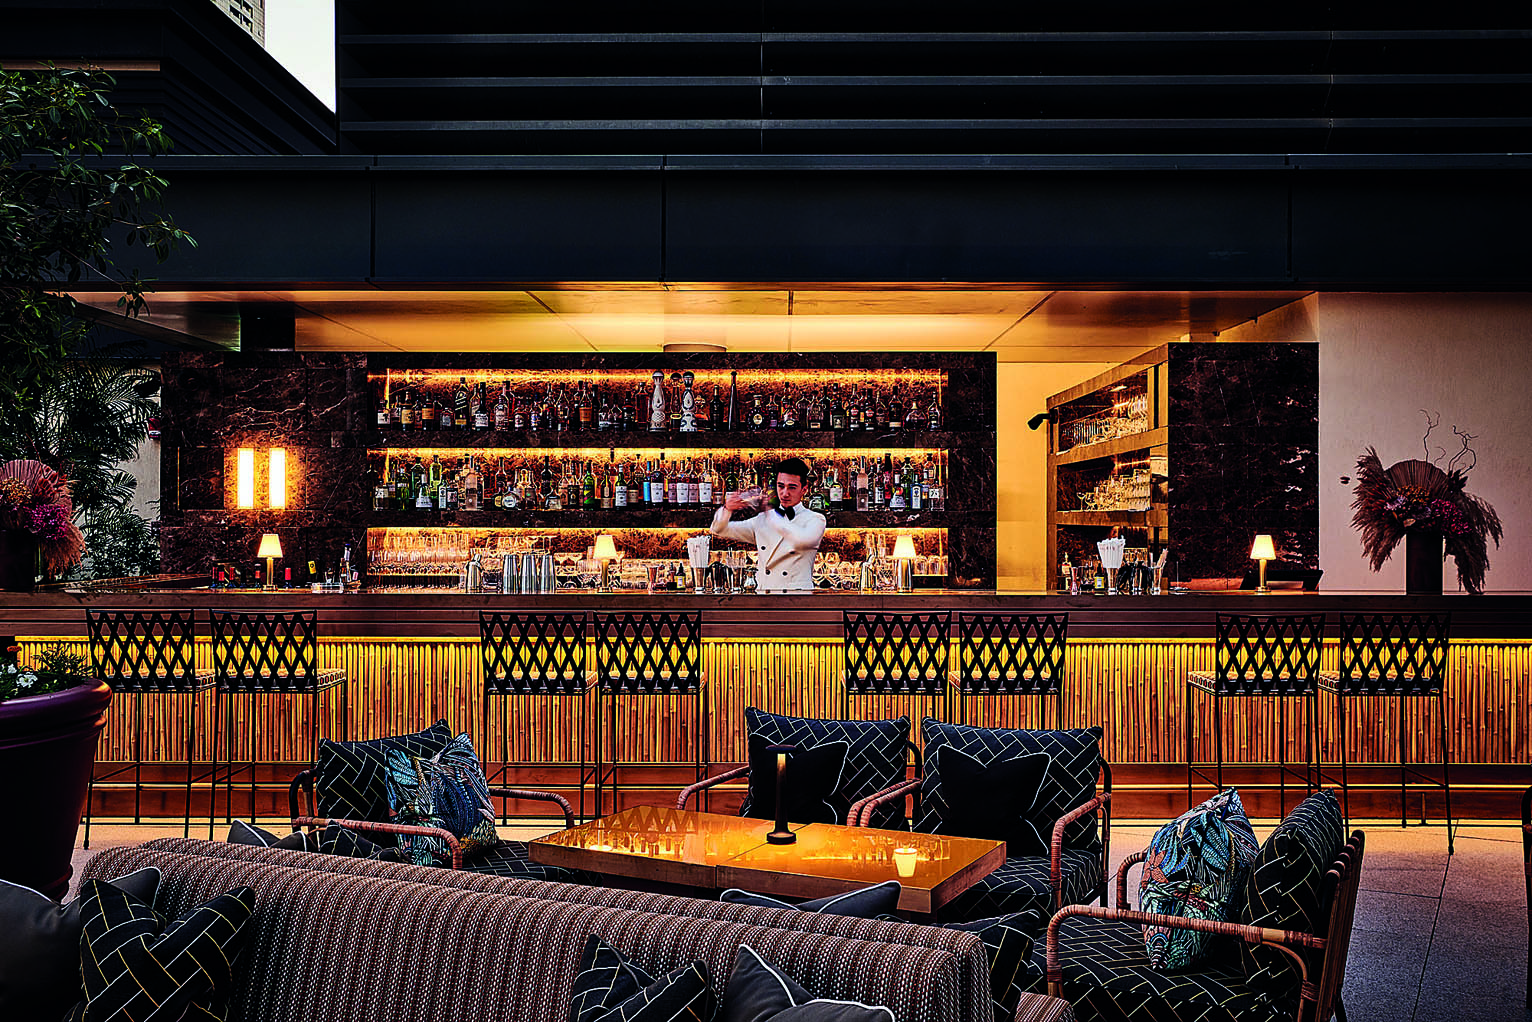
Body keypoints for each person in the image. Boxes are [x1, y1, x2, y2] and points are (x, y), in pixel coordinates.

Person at [710, 456, 826, 592]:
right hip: (763, 596)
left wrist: (770, 514)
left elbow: (802, 540)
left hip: (796, 598)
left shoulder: (816, 519)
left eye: (792, 487)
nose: (785, 493)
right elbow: (719, 529)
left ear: (804, 489)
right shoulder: (762, 519)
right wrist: (727, 509)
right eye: (781, 486)